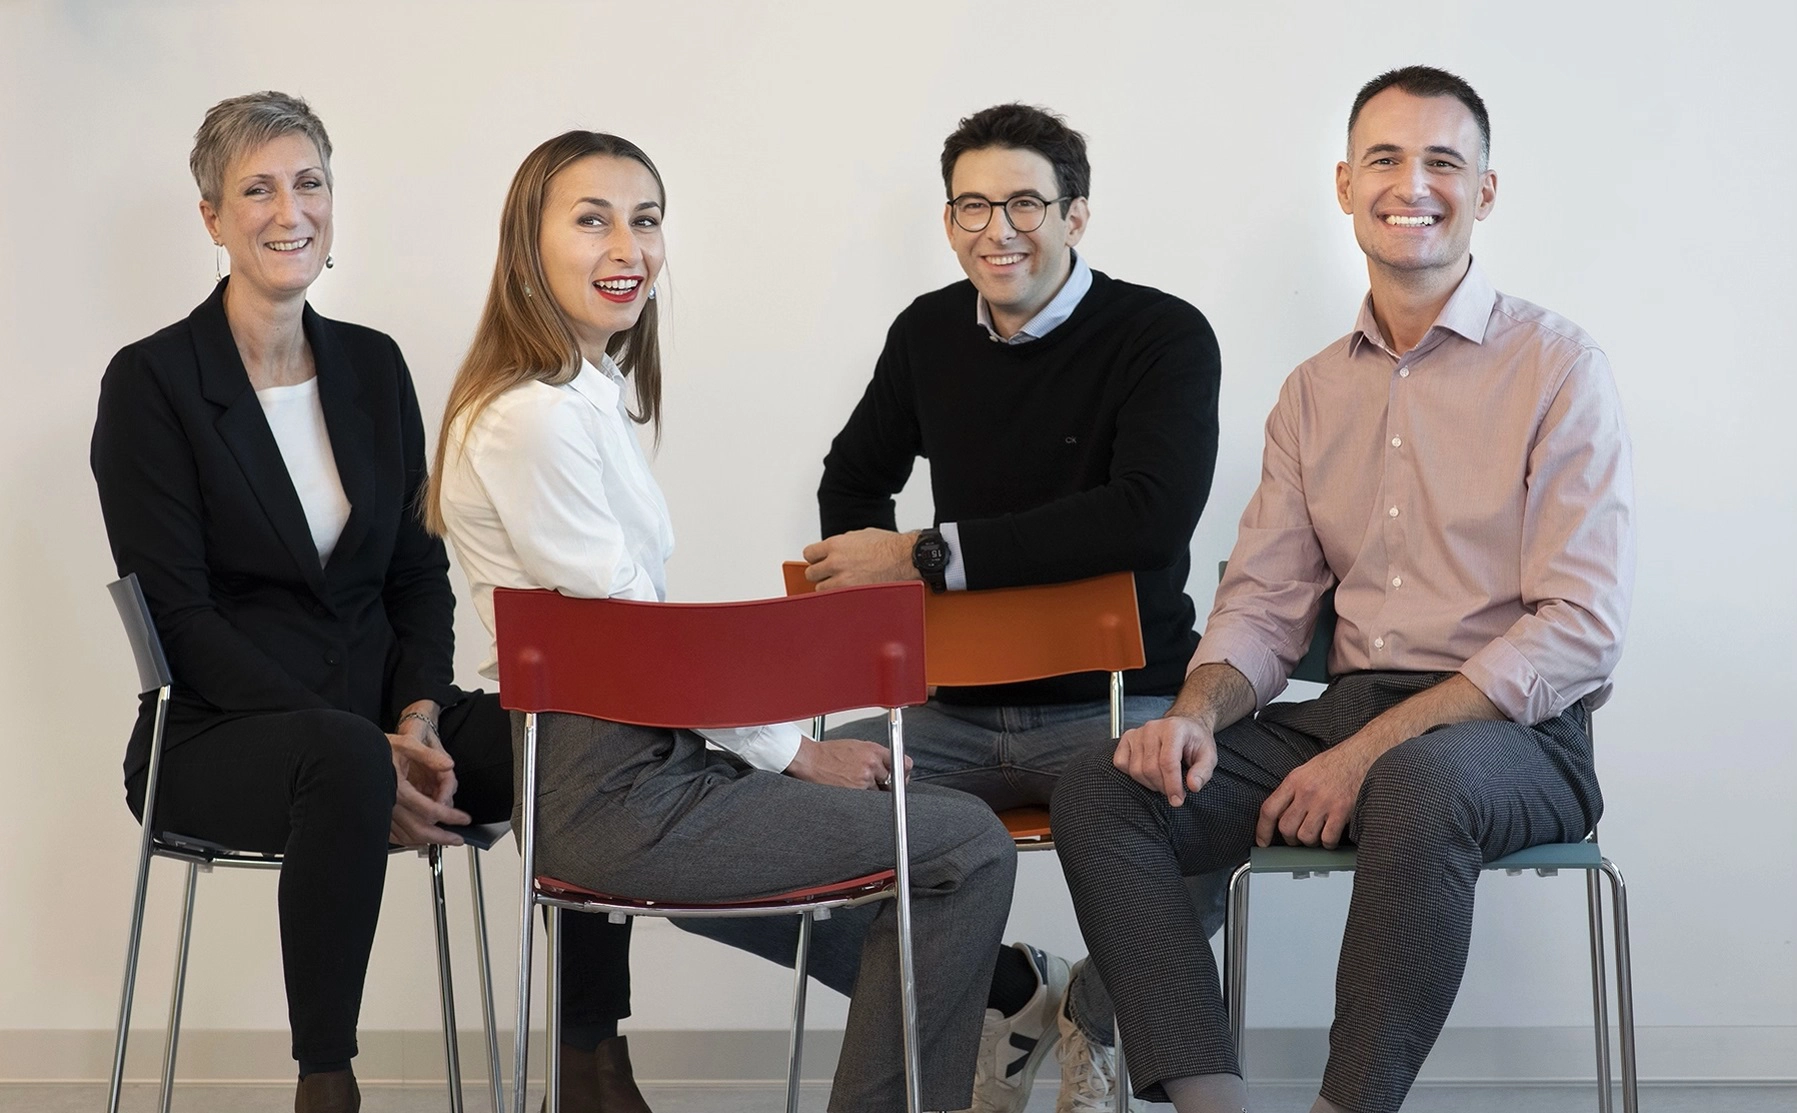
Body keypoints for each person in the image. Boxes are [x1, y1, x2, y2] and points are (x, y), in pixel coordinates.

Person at [1049, 66, 1636, 1113]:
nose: (1414, 184)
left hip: (1519, 740)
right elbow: (1265, 606)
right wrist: (1192, 716)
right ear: (1345, 184)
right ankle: (1211, 1101)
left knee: (1419, 779)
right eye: (1387, 159)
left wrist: (1370, 752)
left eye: (1444, 162)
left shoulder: (1558, 368)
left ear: (1484, 194)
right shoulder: (1314, 393)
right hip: (1348, 714)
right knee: (1106, 785)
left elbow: (1581, 628)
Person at [427, 128, 1018, 1113]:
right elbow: (628, 632)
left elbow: (641, 629)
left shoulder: (587, 396)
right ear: (529, 246)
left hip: (641, 761)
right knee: (961, 844)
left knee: (937, 853)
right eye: (593, 220)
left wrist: (770, 742)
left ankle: (997, 1000)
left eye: (646, 220)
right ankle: (999, 1005)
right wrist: (791, 752)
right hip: (604, 786)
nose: (630, 247)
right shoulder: (530, 416)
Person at [90, 93, 643, 1113]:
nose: (287, 209)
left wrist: (420, 715)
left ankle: (591, 1067)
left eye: (309, 183)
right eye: (256, 188)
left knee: (562, 734)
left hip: (379, 721)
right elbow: (183, 620)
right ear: (213, 216)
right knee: (339, 759)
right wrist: (365, 741)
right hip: (215, 738)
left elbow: (413, 577)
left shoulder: (373, 366)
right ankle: (327, 1085)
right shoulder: (153, 384)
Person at [685, 102, 1225, 1113]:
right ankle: (1005, 993)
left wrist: (926, 557)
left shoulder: (1161, 336)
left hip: (1118, 710)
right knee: (704, 830)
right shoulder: (930, 332)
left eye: (1025, 201)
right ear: (946, 222)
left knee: (1217, 813)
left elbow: (1143, 520)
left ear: (1077, 214)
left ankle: (1098, 1015)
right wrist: (887, 617)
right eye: (971, 205)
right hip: (947, 715)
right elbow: (852, 490)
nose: (997, 228)